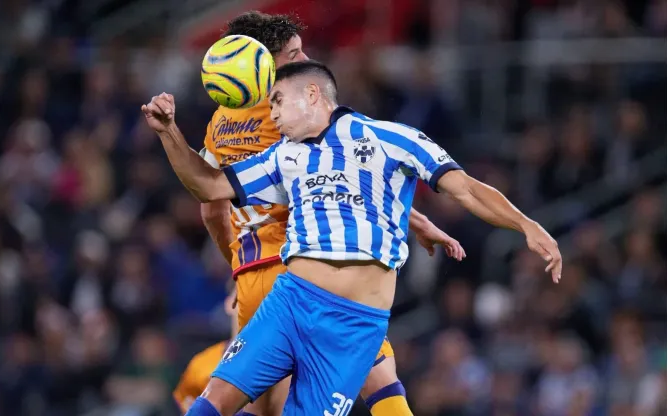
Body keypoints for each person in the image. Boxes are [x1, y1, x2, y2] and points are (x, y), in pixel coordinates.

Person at [141, 60, 562, 416]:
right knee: (213, 401)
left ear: (311, 94)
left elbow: (466, 188)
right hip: (290, 302)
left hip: (352, 325)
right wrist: (168, 133)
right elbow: (210, 187)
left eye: (277, 102)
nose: (272, 115)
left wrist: (527, 225)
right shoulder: (285, 155)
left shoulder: (393, 139)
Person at [196, 11, 464, 416]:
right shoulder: (289, 116)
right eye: (294, 53)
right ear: (262, 63)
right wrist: (415, 220)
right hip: (307, 274)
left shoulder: (218, 126)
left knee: (256, 403)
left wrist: (235, 263)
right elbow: (344, 177)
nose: (305, 58)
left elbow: (211, 212)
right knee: (381, 379)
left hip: (253, 276)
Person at [174, 289, 238, 413]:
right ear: (230, 303)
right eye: (244, 293)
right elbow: (185, 403)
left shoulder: (282, 362)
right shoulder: (201, 365)